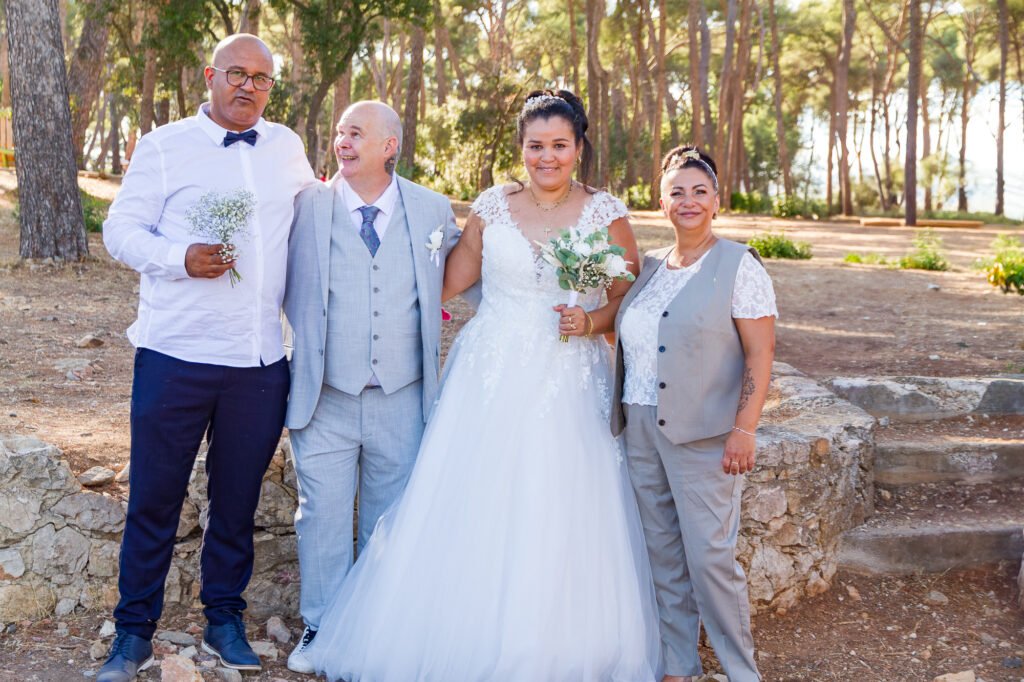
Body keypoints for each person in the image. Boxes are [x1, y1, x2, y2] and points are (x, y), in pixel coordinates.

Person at [299, 89, 663, 680]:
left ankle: (551, 642)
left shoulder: (606, 213)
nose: (546, 157)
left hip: (568, 379)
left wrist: (591, 320)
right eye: (535, 146)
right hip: (488, 376)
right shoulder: (493, 206)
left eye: (559, 146)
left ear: (578, 148)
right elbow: (442, 283)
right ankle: (452, 634)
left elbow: (627, 297)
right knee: (470, 502)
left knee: (560, 503)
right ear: (521, 147)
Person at [98, 34, 315, 681]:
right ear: (209, 76)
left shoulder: (287, 148)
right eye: (236, 73)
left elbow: (320, 218)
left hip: (259, 362)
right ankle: (133, 633)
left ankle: (224, 620)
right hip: (176, 355)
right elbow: (119, 231)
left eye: (261, 78)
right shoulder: (164, 146)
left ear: (271, 88)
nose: (248, 86)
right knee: (155, 499)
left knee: (238, 501)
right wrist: (179, 258)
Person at [283, 100, 462, 674]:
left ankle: (378, 634)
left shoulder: (432, 209)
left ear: (390, 145)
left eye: (356, 133)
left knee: (390, 520)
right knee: (322, 517)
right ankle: (321, 626)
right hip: (324, 394)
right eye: (340, 131)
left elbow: (475, 276)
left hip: (402, 395)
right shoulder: (306, 206)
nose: (343, 141)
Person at [611, 145, 777, 682]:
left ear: (716, 201)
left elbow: (760, 354)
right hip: (639, 425)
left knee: (710, 561)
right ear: (662, 204)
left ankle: (741, 672)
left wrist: (744, 429)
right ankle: (678, 665)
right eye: (677, 192)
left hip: (703, 436)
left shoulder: (738, 265)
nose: (688, 201)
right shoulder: (651, 267)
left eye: (699, 191)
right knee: (661, 551)